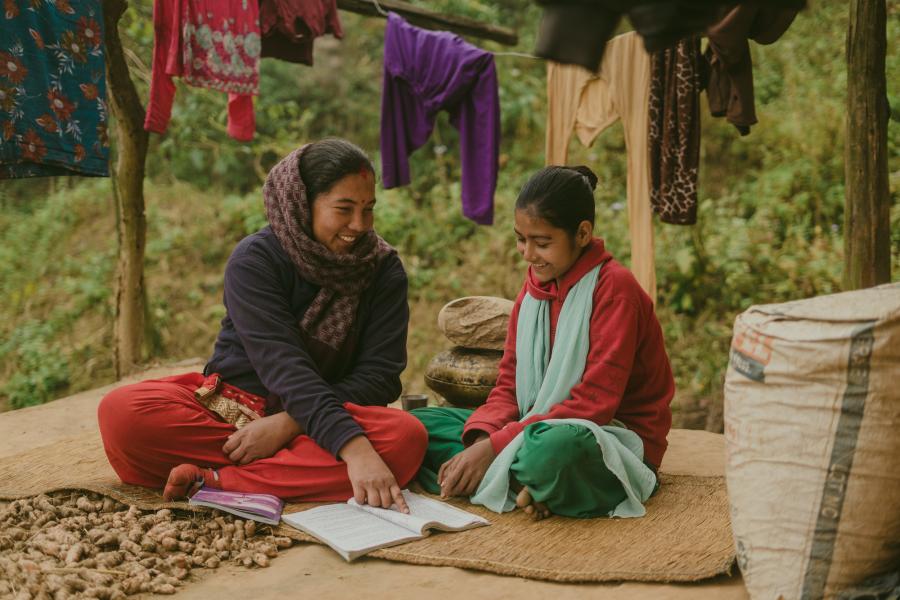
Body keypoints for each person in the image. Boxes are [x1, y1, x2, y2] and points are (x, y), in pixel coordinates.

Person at [98, 139, 426, 513]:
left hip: (322, 420)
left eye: (368, 209)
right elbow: (284, 367)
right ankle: (286, 472)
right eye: (344, 209)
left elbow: (380, 377)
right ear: (303, 203)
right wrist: (353, 450)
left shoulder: (382, 270)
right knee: (122, 414)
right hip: (231, 417)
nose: (359, 225)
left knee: (406, 439)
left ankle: (216, 482)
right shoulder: (256, 260)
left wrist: (288, 425)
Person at [412, 166, 674, 520]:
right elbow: (508, 386)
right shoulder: (534, 290)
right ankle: (534, 487)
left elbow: (593, 404)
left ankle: (524, 480)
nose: (528, 254)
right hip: (532, 425)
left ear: (582, 233)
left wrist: (496, 447)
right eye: (521, 238)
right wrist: (481, 442)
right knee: (417, 426)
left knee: (553, 451)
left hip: (606, 437)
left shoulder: (616, 290)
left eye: (543, 242)